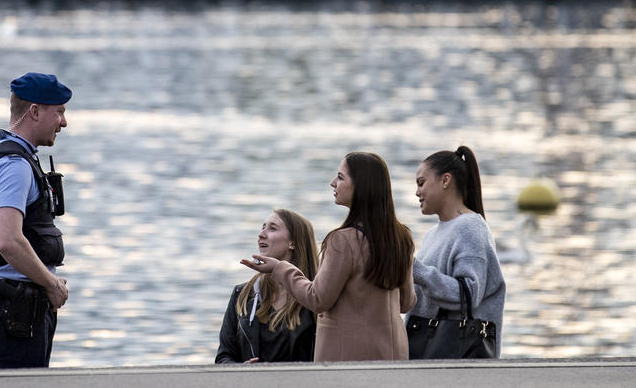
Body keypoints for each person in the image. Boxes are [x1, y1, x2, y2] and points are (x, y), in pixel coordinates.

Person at [244, 152, 415, 362]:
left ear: (361, 185)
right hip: (394, 355)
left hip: (348, 361)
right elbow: (406, 303)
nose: (333, 183)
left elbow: (317, 299)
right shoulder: (401, 237)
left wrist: (280, 268)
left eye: (341, 177)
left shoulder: (342, 240)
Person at [0, 73, 71, 369]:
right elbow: (7, 240)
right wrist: (50, 284)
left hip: (1, 308)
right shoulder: (14, 166)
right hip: (16, 313)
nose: (64, 122)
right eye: (58, 111)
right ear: (34, 111)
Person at [407, 146, 505, 359]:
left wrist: (415, 269)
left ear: (445, 180)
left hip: (454, 354)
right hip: (428, 349)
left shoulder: (471, 227)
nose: (417, 192)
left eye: (421, 183)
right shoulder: (433, 233)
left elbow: (468, 295)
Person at [215, 208, 319, 364]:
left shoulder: (315, 297)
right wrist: (240, 370)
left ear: (293, 242)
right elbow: (224, 356)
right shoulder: (242, 294)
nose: (261, 234)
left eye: (272, 228)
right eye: (262, 227)